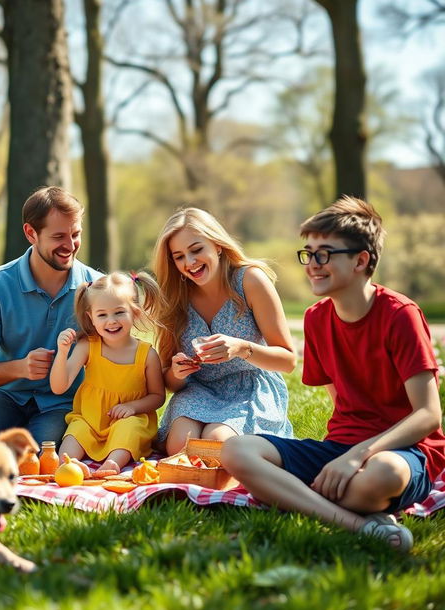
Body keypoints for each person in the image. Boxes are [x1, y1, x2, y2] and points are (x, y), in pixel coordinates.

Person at [220, 196, 445, 551]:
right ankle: (360, 524)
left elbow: (429, 415)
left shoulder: (401, 315)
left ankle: (301, 498)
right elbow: (342, 406)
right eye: (308, 253)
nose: (312, 264)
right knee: (236, 451)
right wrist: (344, 454)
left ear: (361, 260)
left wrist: (357, 457)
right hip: (339, 450)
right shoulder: (316, 318)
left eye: (324, 253)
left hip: (403, 452)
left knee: (383, 474)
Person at [0, 186, 102, 445]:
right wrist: (22, 368)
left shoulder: (96, 289)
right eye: (59, 236)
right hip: (7, 397)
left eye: (76, 234)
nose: (70, 246)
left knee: (37, 458)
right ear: (31, 233)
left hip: (64, 402)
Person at [153, 207, 296, 455]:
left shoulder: (250, 281)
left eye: (196, 250)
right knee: (178, 446)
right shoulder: (174, 298)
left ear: (218, 245)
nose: (190, 262)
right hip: (198, 390)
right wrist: (178, 372)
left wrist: (242, 348)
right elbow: (169, 381)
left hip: (249, 387)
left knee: (218, 443)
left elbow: (288, 360)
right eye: (179, 256)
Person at [50, 271, 165, 473]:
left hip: (128, 419)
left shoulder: (146, 355)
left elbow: (158, 397)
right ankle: (67, 462)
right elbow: (59, 387)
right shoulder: (88, 346)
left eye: (119, 312)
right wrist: (62, 353)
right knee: (76, 430)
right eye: (102, 315)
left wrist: (133, 406)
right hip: (90, 418)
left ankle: (112, 464)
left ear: (135, 312)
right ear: (91, 318)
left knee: (128, 428)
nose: (111, 321)